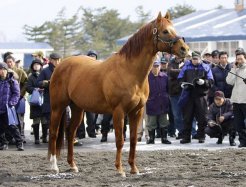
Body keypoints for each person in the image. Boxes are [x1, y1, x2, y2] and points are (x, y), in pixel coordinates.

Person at [178, 51, 214, 144]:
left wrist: (204, 82)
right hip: (188, 95)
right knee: (187, 117)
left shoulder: (206, 67)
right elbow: (180, 78)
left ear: (200, 58)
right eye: (193, 59)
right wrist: (182, 84)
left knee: (202, 117)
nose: (195, 60)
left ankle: (201, 136)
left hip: (201, 96)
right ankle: (186, 137)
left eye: (196, 58)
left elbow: (211, 82)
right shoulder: (186, 67)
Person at [37, 53, 61, 143]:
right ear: (50, 60)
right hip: (49, 99)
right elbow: (38, 83)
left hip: (62, 100)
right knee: (50, 121)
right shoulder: (45, 71)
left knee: (65, 120)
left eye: (59, 60)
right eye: (55, 60)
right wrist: (48, 83)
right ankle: (50, 138)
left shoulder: (63, 70)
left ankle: (63, 138)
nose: (57, 62)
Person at [146, 60, 171, 144]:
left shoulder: (164, 76)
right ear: (151, 67)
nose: (156, 68)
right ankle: (151, 139)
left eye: (157, 66)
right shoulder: (147, 77)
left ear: (160, 66)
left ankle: (164, 138)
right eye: (154, 66)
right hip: (151, 103)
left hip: (163, 102)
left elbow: (168, 89)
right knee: (151, 123)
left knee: (164, 122)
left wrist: (166, 97)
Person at [0, 62, 24, 151]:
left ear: (7, 70)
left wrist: (11, 103)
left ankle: (19, 143)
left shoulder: (12, 81)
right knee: (0, 128)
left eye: (3, 69)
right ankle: (4, 143)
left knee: (12, 126)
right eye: (0, 70)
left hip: (7, 108)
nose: (1, 71)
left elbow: (17, 94)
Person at [5, 55, 28, 142]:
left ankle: (21, 136)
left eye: (11, 62)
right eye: (8, 62)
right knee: (8, 118)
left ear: (14, 62)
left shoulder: (20, 71)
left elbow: (26, 83)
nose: (9, 63)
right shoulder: (3, 71)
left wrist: (21, 94)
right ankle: (9, 137)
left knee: (19, 118)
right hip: (7, 99)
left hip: (19, 98)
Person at [226, 51, 246, 148]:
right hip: (236, 101)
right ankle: (243, 141)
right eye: (237, 59)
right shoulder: (235, 69)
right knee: (239, 123)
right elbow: (229, 81)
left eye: (241, 59)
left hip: (245, 100)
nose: (239, 61)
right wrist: (233, 69)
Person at [26, 59, 45, 144]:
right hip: (35, 101)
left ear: (41, 66)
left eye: (38, 64)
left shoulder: (44, 75)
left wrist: (44, 88)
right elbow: (28, 88)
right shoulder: (31, 77)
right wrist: (36, 89)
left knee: (45, 121)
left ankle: (44, 137)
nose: (36, 66)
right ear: (32, 67)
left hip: (45, 101)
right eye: (35, 65)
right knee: (36, 121)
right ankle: (36, 138)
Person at [167, 56, 185, 139]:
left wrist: (178, 72)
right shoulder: (171, 63)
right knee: (176, 115)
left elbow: (187, 73)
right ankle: (181, 131)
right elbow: (170, 72)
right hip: (174, 93)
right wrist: (182, 71)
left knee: (186, 114)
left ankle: (187, 132)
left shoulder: (186, 63)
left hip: (185, 93)